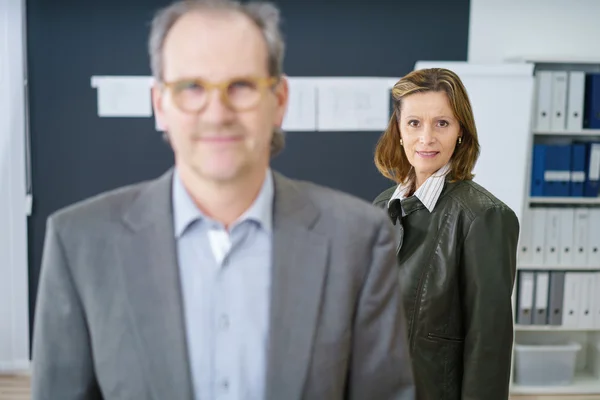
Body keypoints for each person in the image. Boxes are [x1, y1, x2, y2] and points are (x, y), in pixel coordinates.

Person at [30, 1, 416, 399]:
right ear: (160, 104)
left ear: (279, 100)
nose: (217, 113)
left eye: (242, 86)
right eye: (191, 87)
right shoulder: (79, 243)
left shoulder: (359, 240)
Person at [372, 68, 519, 399]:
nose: (426, 138)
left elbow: (489, 346)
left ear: (460, 132)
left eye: (442, 123)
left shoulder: (485, 216)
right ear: (398, 130)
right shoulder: (382, 206)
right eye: (414, 123)